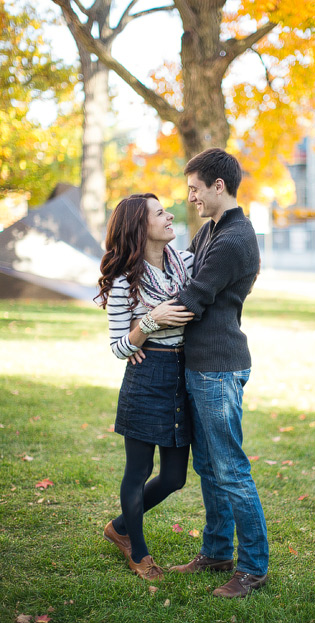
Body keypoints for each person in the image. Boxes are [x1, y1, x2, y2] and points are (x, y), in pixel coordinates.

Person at [165, 148, 268, 599]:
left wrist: (140, 326)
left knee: (230, 469)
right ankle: (216, 551)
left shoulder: (233, 240)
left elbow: (191, 300)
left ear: (218, 186)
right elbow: (181, 275)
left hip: (218, 368)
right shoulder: (211, 230)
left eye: (194, 189)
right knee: (209, 465)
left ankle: (253, 567)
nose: (190, 198)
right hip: (203, 364)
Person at [96, 194, 195, 581]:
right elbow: (120, 346)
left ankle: (119, 526)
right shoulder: (125, 283)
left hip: (183, 373)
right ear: (141, 227)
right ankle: (137, 551)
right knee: (138, 470)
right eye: (160, 213)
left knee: (175, 478)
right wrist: (150, 321)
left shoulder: (185, 262)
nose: (170, 215)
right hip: (146, 375)